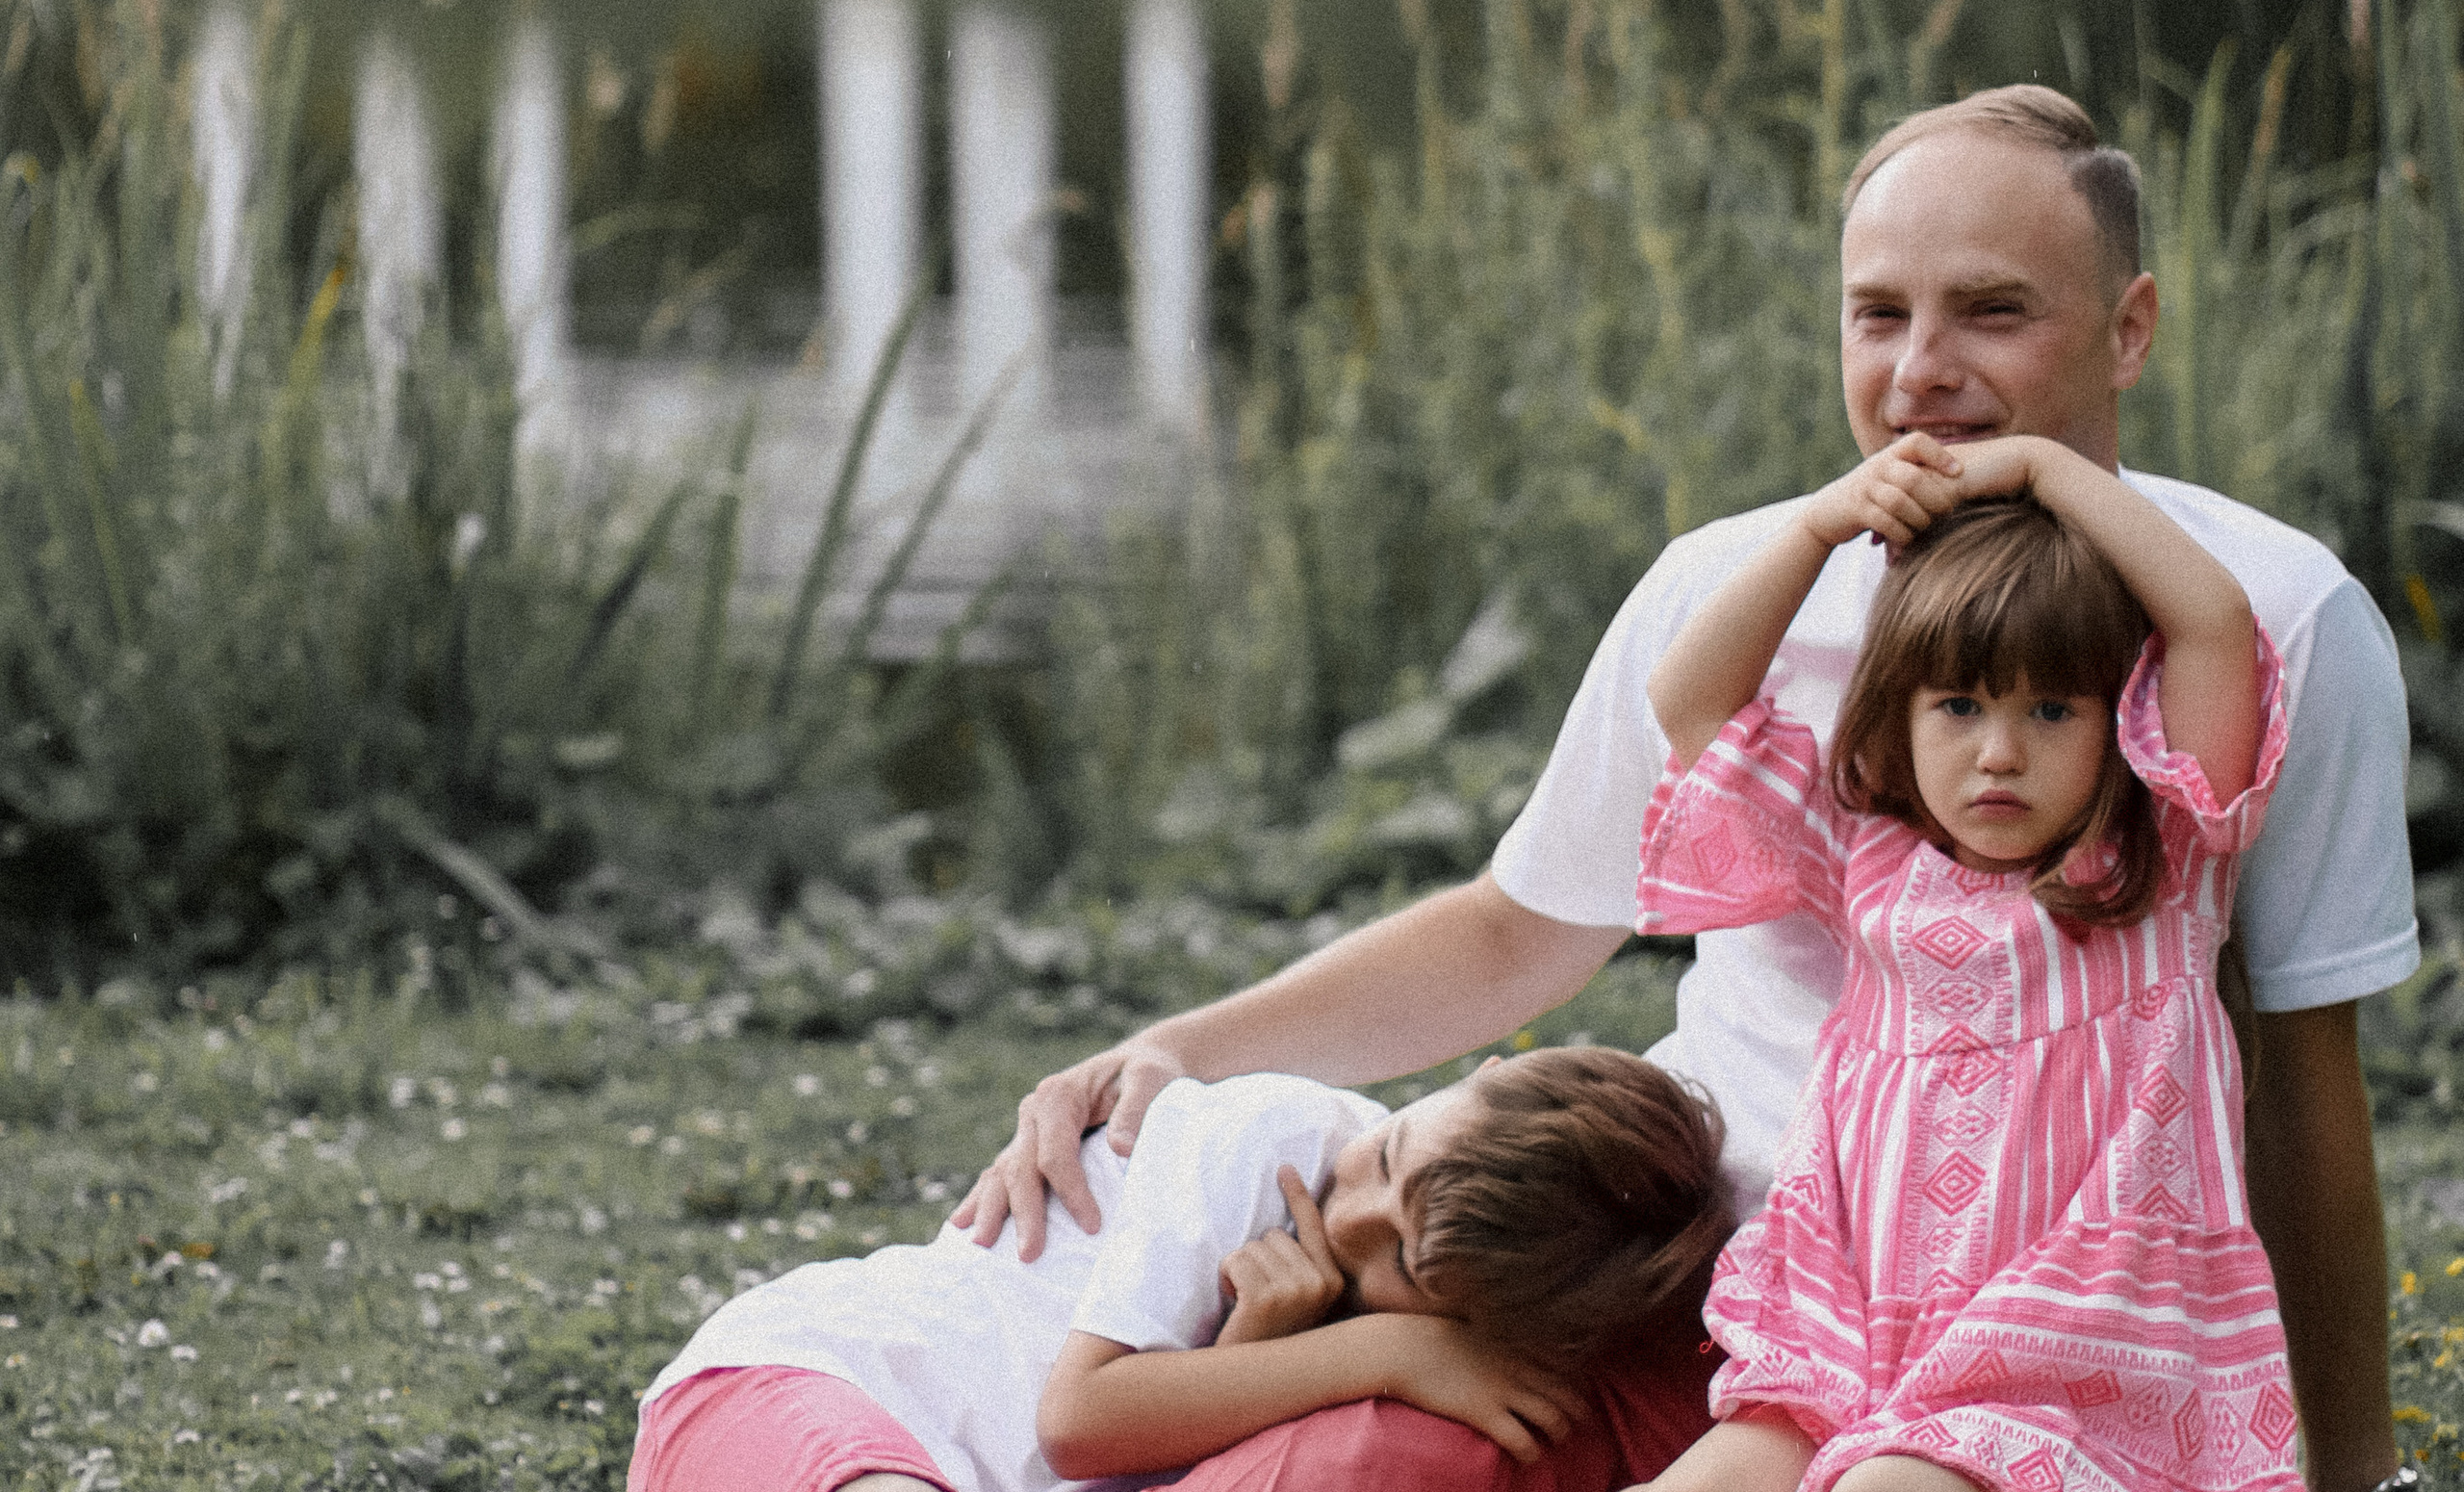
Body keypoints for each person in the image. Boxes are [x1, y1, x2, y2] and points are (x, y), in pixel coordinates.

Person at [956, 86, 2419, 1492]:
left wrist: (2353, 1473)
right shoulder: (1740, 592)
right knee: (1378, 1461)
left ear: (2130, 328)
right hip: (1732, 1290)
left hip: (2057, 1299)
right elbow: (1520, 930)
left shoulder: (2278, 620)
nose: (1922, 370)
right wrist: (1183, 1046)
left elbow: (2306, 1075)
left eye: (1993, 310)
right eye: (1878, 316)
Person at [1633, 434, 2292, 1492]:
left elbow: (2210, 619)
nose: (1998, 751)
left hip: (2069, 1360)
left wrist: (2037, 464)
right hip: (1853, 1338)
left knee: (1886, 1489)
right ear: (1896, 711)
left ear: (2117, 718)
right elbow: (1689, 700)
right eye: (1957, 704)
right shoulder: (1869, 861)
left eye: (2050, 709)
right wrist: (1816, 524)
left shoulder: (2156, 866)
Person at [628, 1045, 1731, 1492]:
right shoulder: (1268, 1129)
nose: (1349, 1217)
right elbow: (1081, 1420)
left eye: (1403, 1261)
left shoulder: (1340, 1306)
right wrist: (1389, 1343)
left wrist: (1270, 1345)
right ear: (1474, 1074)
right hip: (821, 1389)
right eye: (1389, 1156)